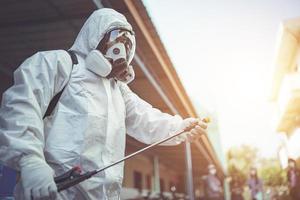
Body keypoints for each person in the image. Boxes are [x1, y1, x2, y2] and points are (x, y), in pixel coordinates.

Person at [0, 8, 208, 200]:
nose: (120, 52)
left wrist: (180, 127)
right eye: (115, 40)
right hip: (53, 192)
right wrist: (31, 161)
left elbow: (147, 119)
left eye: (127, 46)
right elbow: (21, 107)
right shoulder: (58, 64)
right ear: (94, 36)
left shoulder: (119, 90)